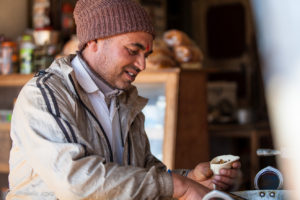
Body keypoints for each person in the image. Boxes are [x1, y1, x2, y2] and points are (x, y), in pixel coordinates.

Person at [7, 0, 241, 199]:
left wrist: (189, 178)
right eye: (133, 50)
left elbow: (140, 173)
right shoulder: (45, 94)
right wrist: (177, 186)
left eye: (146, 54)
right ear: (94, 41)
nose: (142, 65)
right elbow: (77, 181)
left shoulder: (125, 99)